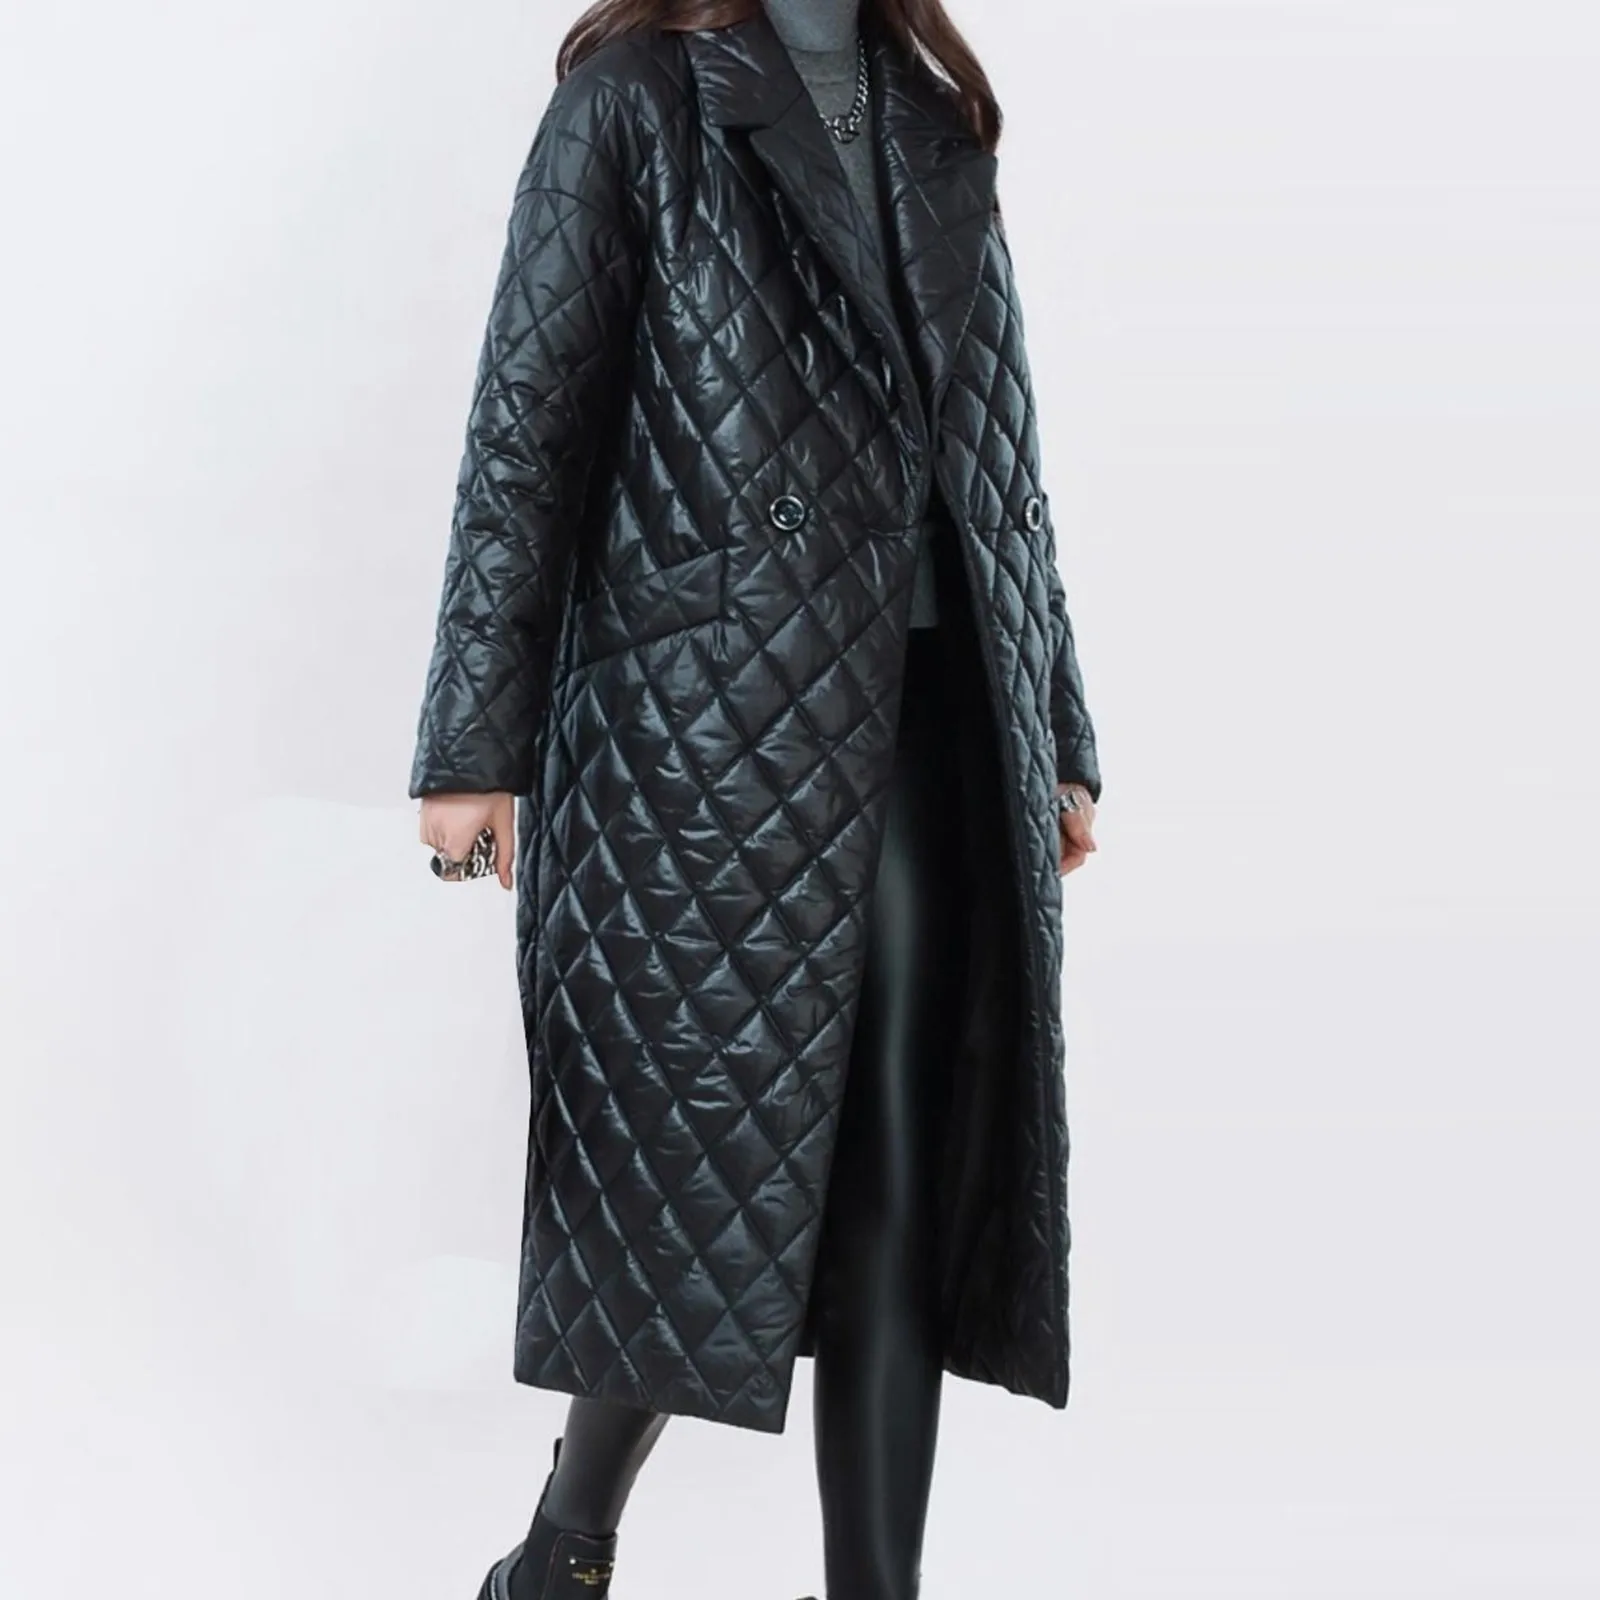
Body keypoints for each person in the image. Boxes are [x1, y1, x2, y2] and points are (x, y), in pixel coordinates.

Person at [406, 1, 1103, 1595]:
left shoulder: (932, 112)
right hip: (703, 728)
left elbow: (1002, 453)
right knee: (697, 1170)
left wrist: (1053, 721)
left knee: (900, 1151)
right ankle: (567, 1541)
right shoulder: (633, 104)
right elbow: (527, 431)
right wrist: (471, 746)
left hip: (934, 714)